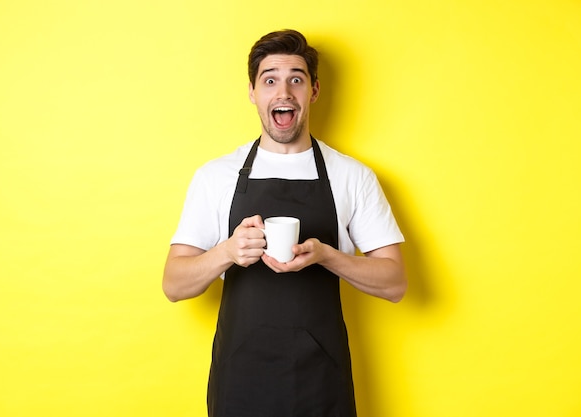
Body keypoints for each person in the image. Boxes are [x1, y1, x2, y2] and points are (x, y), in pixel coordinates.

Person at [163, 29, 407, 417]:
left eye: (296, 78)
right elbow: (174, 285)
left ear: (313, 91)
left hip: (321, 382)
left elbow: (395, 283)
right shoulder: (215, 176)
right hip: (239, 380)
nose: (284, 92)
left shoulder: (352, 176)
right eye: (270, 80)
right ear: (252, 92)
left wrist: (326, 255)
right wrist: (227, 251)